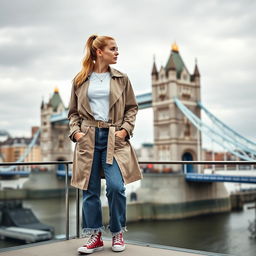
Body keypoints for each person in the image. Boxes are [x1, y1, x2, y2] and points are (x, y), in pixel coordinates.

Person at [67, 34, 143, 254]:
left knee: (116, 187)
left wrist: (124, 131)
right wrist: (77, 134)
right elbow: (72, 113)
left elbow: (132, 108)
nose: (117, 52)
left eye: (117, 49)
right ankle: (95, 236)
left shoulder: (122, 78)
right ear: (99, 52)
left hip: (114, 138)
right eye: (113, 49)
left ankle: (117, 232)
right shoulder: (80, 80)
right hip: (87, 138)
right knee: (89, 191)